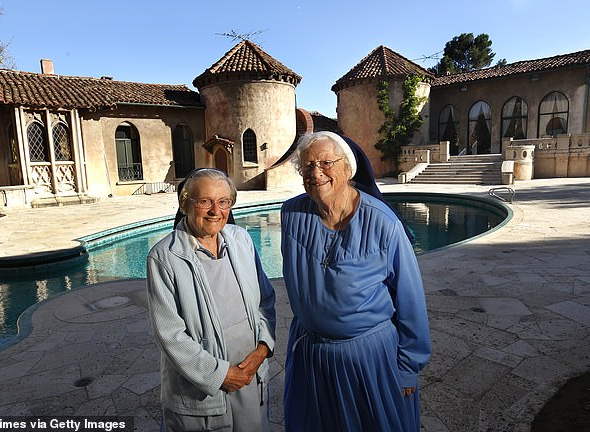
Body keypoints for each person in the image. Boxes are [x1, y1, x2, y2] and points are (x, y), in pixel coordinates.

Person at [281, 131, 431, 431]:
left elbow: (410, 299)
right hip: (311, 358)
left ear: (348, 169)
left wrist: (407, 369)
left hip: (368, 360)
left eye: (326, 163)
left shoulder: (383, 223)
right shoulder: (291, 215)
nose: (315, 173)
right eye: (307, 166)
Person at [146, 168, 276, 432]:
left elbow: (265, 300)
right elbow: (169, 334)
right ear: (185, 205)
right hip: (202, 389)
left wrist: (263, 348)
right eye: (204, 201)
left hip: (250, 376)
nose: (216, 210)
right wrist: (220, 375)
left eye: (223, 202)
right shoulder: (164, 258)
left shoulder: (241, 240)